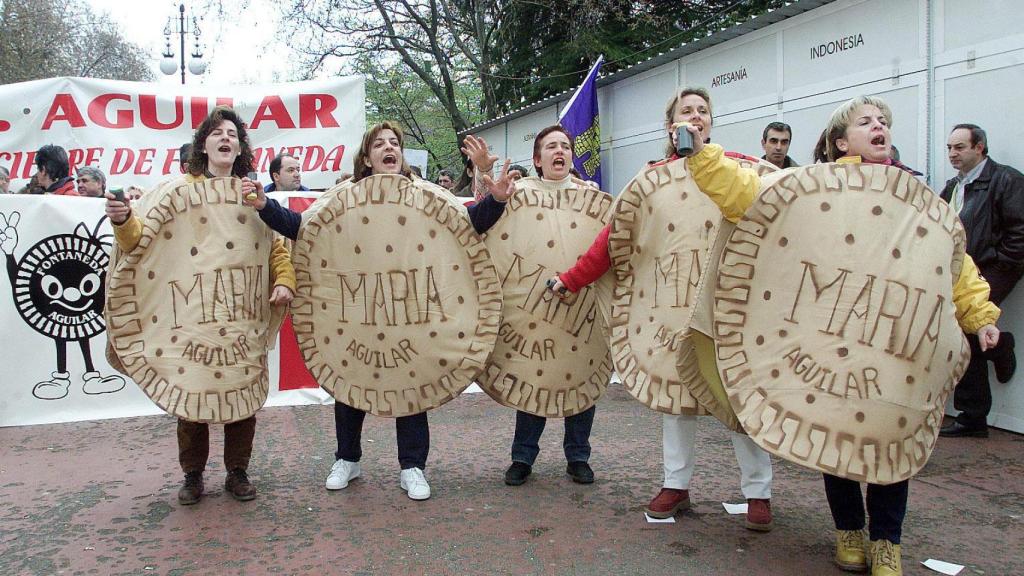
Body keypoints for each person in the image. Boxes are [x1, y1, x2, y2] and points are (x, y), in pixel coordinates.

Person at [244, 121, 511, 501]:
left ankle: (412, 467)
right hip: (357, 313)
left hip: (410, 314)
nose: (390, 148)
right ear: (367, 158)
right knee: (349, 380)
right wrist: (263, 205)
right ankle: (347, 459)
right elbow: (300, 226)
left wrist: (496, 199)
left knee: (412, 382)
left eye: (395, 143)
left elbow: (468, 224)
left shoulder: (427, 195)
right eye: (380, 143)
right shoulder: (344, 197)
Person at [547, 87, 775, 531]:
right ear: (670, 125)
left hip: (725, 307)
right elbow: (612, 242)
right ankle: (676, 484)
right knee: (676, 399)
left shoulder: (740, 170)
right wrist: (572, 279)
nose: (695, 116)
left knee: (738, 398)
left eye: (702, 111)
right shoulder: (650, 181)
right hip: (669, 306)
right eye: (686, 111)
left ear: (711, 122)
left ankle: (758, 493)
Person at [819, 96, 1001, 576]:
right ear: (842, 142)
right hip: (835, 338)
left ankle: (886, 542)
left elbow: (951, 262)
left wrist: (979, 316)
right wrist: (703, 156)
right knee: (835, 437)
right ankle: (848, 531)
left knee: (890, 439)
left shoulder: (916, 196)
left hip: (896, 343)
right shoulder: (819, 191)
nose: (879, 126)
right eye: (866, 122)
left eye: (883, 121)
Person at [104, 105, 296, 505]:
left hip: (242, 312)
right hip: (192, 316)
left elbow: (276, 249)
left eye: (233, 134)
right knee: (190, 390)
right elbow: (138, 241)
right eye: (217, 133)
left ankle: (237, 471)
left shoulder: (252, 194)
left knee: (240, 389)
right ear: (203, 145)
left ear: (240, 147)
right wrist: (123, 220)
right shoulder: (176, 192)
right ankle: (192, 475)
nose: (226, 139)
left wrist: (284, 280)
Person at [475, 126, 601, 487]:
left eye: (565, 146)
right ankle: (522, 456)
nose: (559, 151)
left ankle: (578, 456)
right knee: (532, 374)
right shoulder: (520, 194)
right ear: (537, 159)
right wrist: (484, 176)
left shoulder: (591, 198)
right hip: (531, 309)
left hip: (579, 305)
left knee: (580, 372)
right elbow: (484, 220)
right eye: (551, 147)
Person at [939, 123, 1023, 438]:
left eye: (959, 147)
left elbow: (1019, 231)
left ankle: (972, 415)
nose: (952, 154)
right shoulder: (952, 187)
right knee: (967, 331)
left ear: (979, 147)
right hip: (962, 272)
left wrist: (1002, 266)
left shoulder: (1006, 180)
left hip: (992, 269)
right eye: (949, 147)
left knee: (967, 330)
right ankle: (1001, 345)